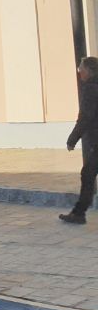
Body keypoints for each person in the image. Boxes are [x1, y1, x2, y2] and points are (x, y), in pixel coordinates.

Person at [60, 55, 98, 225]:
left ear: (89, 70)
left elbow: (85, 117)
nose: (79, 71)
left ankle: (79, 214)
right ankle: (78, 213)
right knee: (88, 173)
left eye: (81, 68)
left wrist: (72, 139)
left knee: (88, 174)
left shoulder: (90, 89)